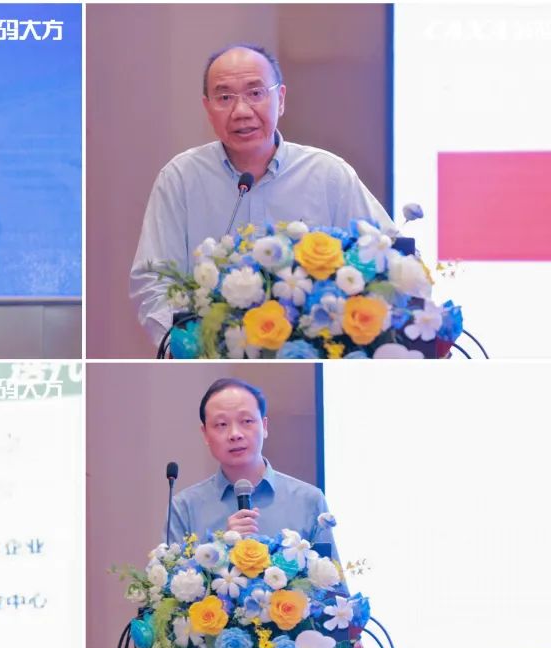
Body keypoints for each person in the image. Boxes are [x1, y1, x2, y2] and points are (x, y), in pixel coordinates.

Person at [130, 45, 398, 347]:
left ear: (280, 99)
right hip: (210, 352)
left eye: (255, 93)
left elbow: (389, 258)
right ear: (208, 108)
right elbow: (153, 279)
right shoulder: (181, 178)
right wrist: (180, 347)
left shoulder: (328, 176)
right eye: (225, 97)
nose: (241, 111)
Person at [168, 378, 340, 567]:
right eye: (221, 424)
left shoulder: (309, 500)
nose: (235, 434)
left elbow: (330, 581)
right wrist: (220, 548)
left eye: (246, 421)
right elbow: (171, 581)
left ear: (264, 427)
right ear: (205, 434)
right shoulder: (185, 507)